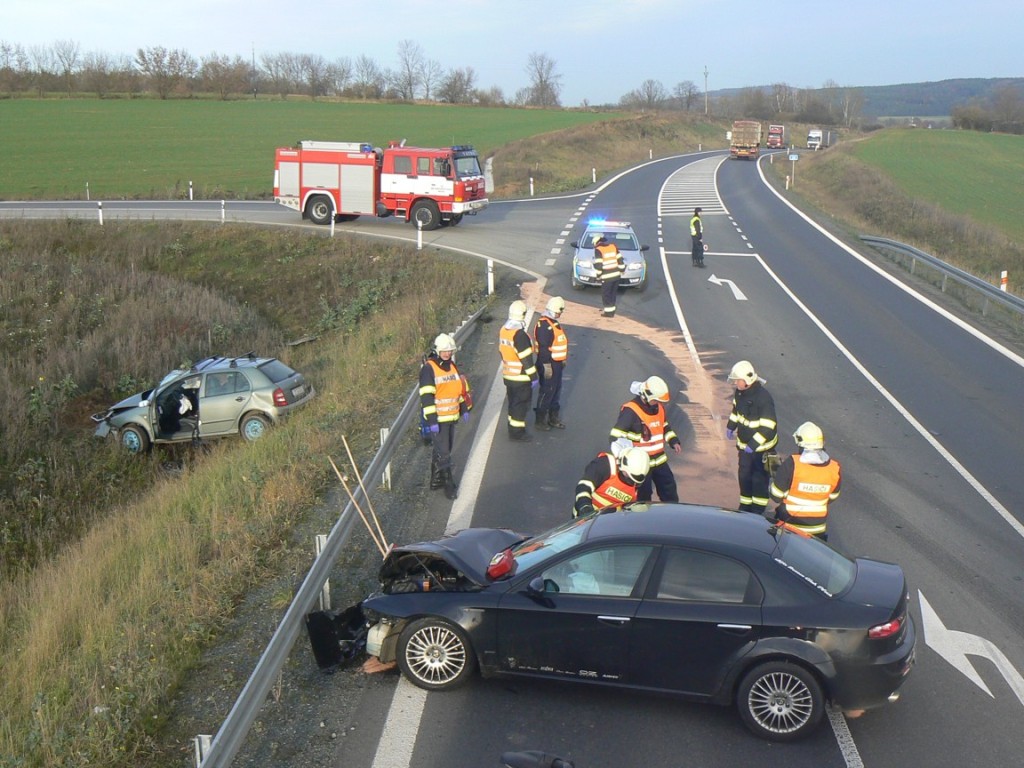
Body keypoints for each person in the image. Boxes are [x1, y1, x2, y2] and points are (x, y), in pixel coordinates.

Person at [609, 375, 682, 502]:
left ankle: (672, 515)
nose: (658, 403)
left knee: (669, 490)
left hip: (659, 461)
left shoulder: (659, 408)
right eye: (655, 400)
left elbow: (664, 426)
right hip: (641, 464)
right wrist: (625, 460)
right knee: (643, 496)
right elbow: (615, 437)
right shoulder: (630, 411)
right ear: (646, 395)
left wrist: (673, 441)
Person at [419, 333, 471, 499]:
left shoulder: (452, 366)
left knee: (442, 449)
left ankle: (435, 480)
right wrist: (432, 421)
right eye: (444, 351)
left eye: (450, 351)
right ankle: (448, 484)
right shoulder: (429, 369)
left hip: (451, 417)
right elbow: (426, 397)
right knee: (445, 452)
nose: (447, 354)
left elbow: (457, 390)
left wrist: (463, 408)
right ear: (437, 351)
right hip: (438, 419)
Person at [769, 422, 842, 539]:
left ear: (801, 444)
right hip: (818, 529)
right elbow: (832, 496)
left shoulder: (792, 464)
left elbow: (776, 495)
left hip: (789, 525)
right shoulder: (834, 467)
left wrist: (777, 478)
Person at [726, 360, 778, 514]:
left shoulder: (763, 398)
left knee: (759, 480)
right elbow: (737, 411)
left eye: (738, 380)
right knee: (744, 477)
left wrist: (753, 444)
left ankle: (757, 510)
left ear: (747, 381)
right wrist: (731, 426)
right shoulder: (740, 393)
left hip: (761, 450)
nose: (736, 383)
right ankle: (745, 506)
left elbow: (769, 427)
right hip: (744, 448)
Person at [499, 299, 539, 442]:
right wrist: (533, 377)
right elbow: (526, 360)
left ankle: (512, 426)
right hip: (521, 377)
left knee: (513, 403)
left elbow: (502, 352)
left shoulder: (504, 330)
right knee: (520, 405)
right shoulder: (520, 335)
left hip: (508, 375)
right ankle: (517, 433)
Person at [573, 446, 651, 518]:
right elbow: (583, 487)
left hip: (611, 522)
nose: (631, 483)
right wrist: (585, 506)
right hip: (584, 517)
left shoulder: (640, 478)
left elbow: (637, 509)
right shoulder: (605, 465)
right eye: (627, 476)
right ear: (622, 465)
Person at [533, 295, 568, 431]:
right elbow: (543, 348)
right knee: (547, 391)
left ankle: (553, 418)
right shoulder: (544, 326)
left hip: (556, 364)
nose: (560, 314)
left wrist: (561, 360)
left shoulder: (553, 323)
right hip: (548, 364)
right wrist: (547, 366)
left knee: (555, 391)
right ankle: (540, 420)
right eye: (560, 311)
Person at [594, 233, 624, 317]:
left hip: (607, 277)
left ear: (596, 243)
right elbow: (620, 259)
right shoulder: (613, 246)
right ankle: (612, 311)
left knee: (606, 294)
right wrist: (622, 270)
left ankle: (608, 313)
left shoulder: (598, 250)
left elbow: (599, 265)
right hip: (616, 275)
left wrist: (598, 275)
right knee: (613, 293)